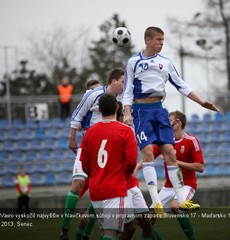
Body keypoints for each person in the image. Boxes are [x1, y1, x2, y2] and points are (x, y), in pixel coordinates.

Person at [122, 26, 219, 216]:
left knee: (171, 154)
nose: (161, 43)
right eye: (158, 39)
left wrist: (201, 102)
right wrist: (127, 113)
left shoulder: (165, 62)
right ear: (148, 39)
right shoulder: (133, 62)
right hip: (141, 111)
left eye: (163, 40)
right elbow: (126, 91)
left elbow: (182, 85)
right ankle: (156, 202)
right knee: (148, 153)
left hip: (159, 110)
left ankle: (182, 200)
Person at [60, 68, 124, 240]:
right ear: (113, 81)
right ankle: (65, 229)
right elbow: (77, 115)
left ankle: (85, 233)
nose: (125, 85)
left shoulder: (121, 101)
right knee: (79, 183)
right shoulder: (93, 95)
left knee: (101, 189)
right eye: (123, 82)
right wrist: (72, 137)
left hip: (108, 151)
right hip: (89, 146)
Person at [80, 93, 138, 240]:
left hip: (96, 190)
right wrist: (125, 175)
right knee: (110, 233)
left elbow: (85, 164)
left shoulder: (89, 132)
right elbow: (132, 161)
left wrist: (96, 175)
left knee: (129, 226)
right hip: (115, 189)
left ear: (99, 110)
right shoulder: (126, 131)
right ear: (117, 107)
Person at [153, 110, 204, 240]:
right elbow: (149, 156)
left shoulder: (191, 141)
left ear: (178, 123)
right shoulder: (165, 141)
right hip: (168, 186)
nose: (166, 124)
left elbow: (200, 167)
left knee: (175, 206)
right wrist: (135, 167)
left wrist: (175, 162)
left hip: (186, 185)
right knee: (147, 218)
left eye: (169, 121)